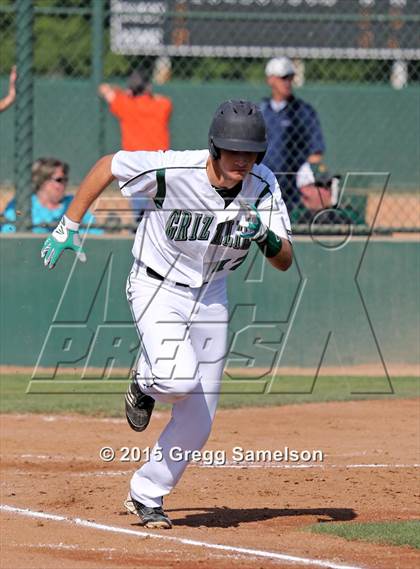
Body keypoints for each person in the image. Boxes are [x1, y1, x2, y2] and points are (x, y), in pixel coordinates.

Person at [40, 100, 293, 529]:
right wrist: (69, 224)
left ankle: (146, 494)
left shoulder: (263, 186)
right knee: (176, 378)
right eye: (233, 151)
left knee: (200, 418)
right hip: (156, 284)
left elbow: (285, 259)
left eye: (250, 153)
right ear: (214, 147)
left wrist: (265, 236)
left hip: (212, 293)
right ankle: (144, 379)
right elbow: (109, 165)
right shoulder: (174, 170)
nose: (242, 160)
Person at [260, 57, 326, 221]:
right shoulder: (260, 111)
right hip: (263, 177)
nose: (288, 82)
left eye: (290, 77)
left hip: (293, 183)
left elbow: (316, 152)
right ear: (270, 80)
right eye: (283, 78)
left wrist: (305, 173)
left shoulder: (303, 111)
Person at [1, 157, 102, 233]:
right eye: (59, 180)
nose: (64, 184)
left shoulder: (72, 203)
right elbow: (8, 231)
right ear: (42, 181)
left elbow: (95, 232)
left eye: (65, 180)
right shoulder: (23, 203)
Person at [98, 67, 172, 152]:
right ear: (148, 86)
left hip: (133, 159)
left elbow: (104, 89)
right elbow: (163, 99)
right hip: (158, 159)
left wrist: (122, 91)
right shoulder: (163, 104)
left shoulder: (124, 103)